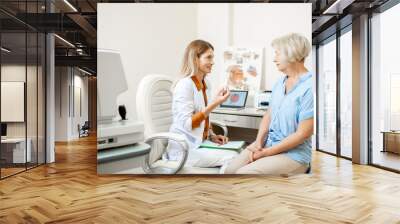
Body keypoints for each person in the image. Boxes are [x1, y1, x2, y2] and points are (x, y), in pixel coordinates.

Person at [224, 33, 314, 175]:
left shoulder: (310, 87)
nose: (274, 59)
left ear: (292, 53)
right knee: (229, 171)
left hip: (294, 155)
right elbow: (269, 115)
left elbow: (303, 133)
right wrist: (259, 142)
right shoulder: (279, 83)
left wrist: (266, 153)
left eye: (278, 54)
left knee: (243, 175)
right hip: (267, 144)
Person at [166, 40, 238, 169]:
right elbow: (188, 124)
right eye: (208, 57)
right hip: (184, 149)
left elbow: (203, 117)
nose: (212, 62)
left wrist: (212, 135)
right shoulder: (185, 85)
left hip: (200, 144)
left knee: (240, 153)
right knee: (233, 158)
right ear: (195, 59)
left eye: (213, 57)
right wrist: (216, 103)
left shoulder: (206, 84)